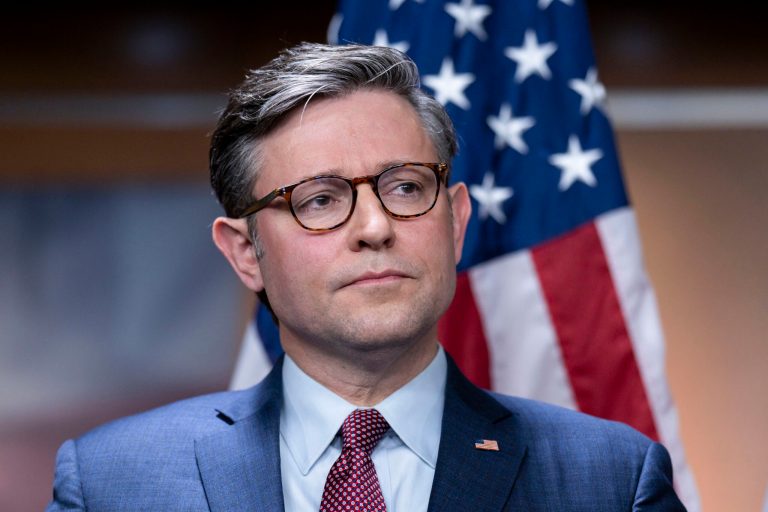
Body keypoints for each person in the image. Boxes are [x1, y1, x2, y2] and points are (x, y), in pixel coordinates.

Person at [47, 43, 686, 511]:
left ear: (456, 221)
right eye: (320, 200)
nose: (375, 227)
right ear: (246, 253)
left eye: (406, 187)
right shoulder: (114, 483)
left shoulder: (610, 481)